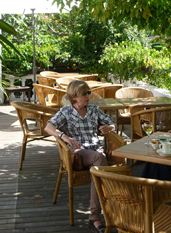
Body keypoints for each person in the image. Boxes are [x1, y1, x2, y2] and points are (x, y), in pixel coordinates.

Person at [45, 80, 116, 233]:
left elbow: (113, 123)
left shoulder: (94, 110)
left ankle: (94, 218)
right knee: (100, 160)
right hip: (79, 154)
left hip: (96, 152)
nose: (88, 96)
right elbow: (48, 126)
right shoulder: (66, 112)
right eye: (84, 93)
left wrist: (108, 128)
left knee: (98, 169)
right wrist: (64, 136)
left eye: (88, 92)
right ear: (74, 96)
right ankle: (110, 213)